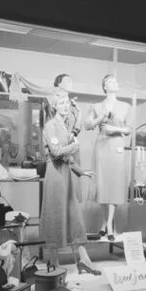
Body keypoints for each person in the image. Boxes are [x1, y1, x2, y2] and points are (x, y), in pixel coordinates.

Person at [40, 92, 101, 275]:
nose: (65, 106)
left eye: (67, 103)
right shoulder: (50, 126)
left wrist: (81, 171)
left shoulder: (65, 126)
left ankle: (84, 261)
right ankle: (54, 264)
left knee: (75, 218)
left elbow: (67, 158)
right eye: (61, 103)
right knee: (55, 217)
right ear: (54, 106)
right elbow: (57, 151)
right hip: (55, 177)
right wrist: (73, 147)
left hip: (67, 174)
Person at [84, 74, 132, 241]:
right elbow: (87, 125)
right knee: (103, 186)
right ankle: (105, 226)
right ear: (104, 86)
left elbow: (129, 129)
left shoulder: (125, 106)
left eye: (116, 81)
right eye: (110, 81)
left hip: (117, 146)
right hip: (102, 146)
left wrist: (114, 128)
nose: (115, 83)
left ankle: (109, 225)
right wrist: (101, 118)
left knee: (114, 185)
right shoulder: (97, 106)